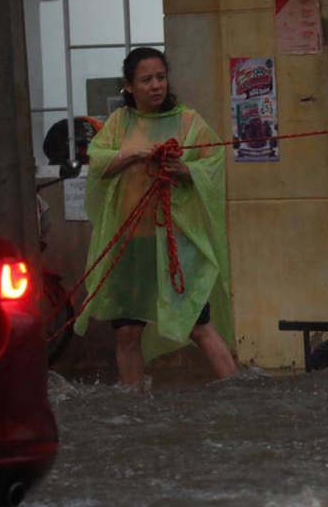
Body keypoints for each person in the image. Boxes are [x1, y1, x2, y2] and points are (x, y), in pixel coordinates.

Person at [74, 47, 236, 387]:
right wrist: (133, 154)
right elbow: (99, 162)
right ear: (129, 86)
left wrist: (185, 170)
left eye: (161, 77)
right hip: (130, 242)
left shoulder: (188, 121)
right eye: (146, 79)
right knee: (127, 332)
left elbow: (213, 163)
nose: (156, 85)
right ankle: (135, 403)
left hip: (174, 241)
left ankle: (239, 390)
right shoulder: (119, 122)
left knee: (198, 323)